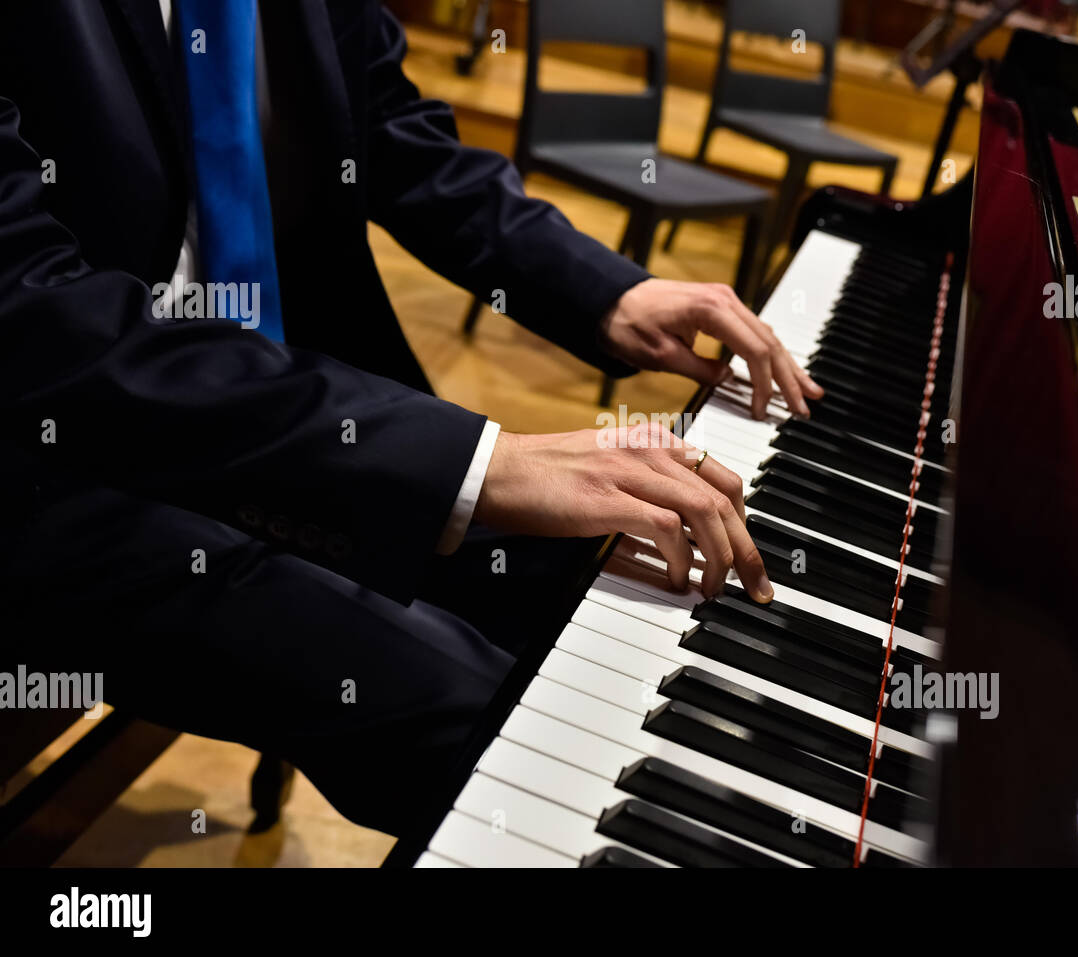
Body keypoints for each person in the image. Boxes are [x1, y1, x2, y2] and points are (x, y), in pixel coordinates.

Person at [0, 0, 819, 837]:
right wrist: (475, 464)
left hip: (286, 413)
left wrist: (610, 290)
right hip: (61, 465)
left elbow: (389, 129)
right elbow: (32, 321)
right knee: (490, 718)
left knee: (631, 570)